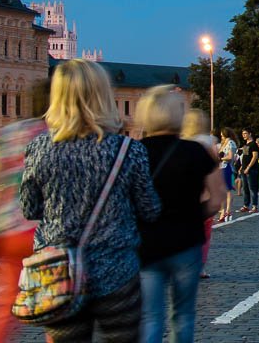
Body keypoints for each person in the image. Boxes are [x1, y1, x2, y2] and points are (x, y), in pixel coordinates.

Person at [19, 58, 162, 342]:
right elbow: (150, 210)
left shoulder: (38, 148)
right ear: (103, 96)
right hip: (116, 270)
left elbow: (29, 209)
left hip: (59, 273)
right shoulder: (128, 150)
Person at [138, 87, 224, 343]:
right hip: (187, 241)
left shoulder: (135, 151)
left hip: (146, 244)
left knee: (151, 317)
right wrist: (196, 215)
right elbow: (217, 198)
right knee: (184, 315)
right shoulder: (195, 151)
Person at [0, 79, 49, 343]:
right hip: (44, 235)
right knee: (59, 304)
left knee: (0, 307)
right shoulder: (55, 135)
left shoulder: (5, 135)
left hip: (9, 234)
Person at [180, 109, 218, 280]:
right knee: (204, 234)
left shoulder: (180, 143)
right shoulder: (209, 144)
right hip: (204, 196)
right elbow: (214, 169)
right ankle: (199, 266)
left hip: (183, 196)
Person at [237, 129, 259, 213]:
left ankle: (254, 206)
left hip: (252, 170)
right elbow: (244, 157)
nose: (244, 135)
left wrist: (248, 168)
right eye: (243, 134)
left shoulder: (254, 144)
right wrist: (241, 168)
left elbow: (255, 157)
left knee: (252, 188)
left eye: (245, 133)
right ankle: (246, 205)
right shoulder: (245, 145)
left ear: (250, 134)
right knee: (245, 188)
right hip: (244, 169)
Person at [216, 128, 237, 222]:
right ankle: (224, 211)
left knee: (227, 190)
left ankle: (226, 211)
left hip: (226, 167)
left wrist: (221, 159)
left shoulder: (231, 143)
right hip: (221, 167)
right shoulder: (224, 143)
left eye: (222, 135)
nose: (221, 136)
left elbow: (230, 157)